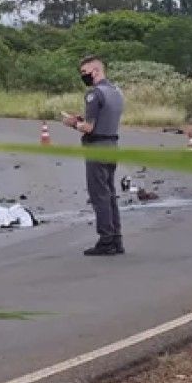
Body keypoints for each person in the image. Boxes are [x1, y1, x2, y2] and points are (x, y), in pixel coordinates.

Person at [62, 54, 125, 256]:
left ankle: (106, 239)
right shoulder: (116, 92)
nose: (83, 76)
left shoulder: (94, 94)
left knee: (99, 195)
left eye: (84, 72)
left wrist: (73, 123)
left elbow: (88, 127)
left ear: (95, 71)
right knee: (110, 193)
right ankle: (116, 239)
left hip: (96, 146)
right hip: (112, 144)